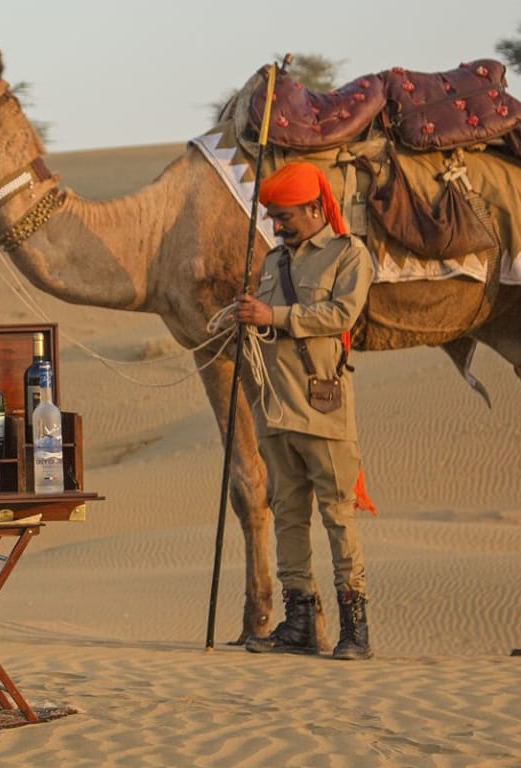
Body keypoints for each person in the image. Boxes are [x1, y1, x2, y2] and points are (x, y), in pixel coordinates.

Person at [235, 162, 377, 660]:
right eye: (273, 217)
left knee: (338, 516)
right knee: (288, 517)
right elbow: (268, 325)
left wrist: (272, 314)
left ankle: (355, 629)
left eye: (286, 216)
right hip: (274, 411)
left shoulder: (348, 254)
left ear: (316, 208)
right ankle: (299, 624)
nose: (277, 226)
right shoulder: (273, 262)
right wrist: (248, 319)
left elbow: (341, 314)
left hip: (322, 408)